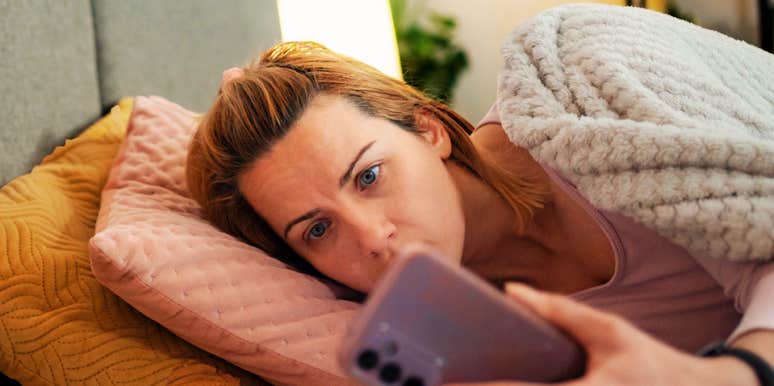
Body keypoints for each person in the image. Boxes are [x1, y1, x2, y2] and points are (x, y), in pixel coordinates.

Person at [186, 40, 773, 385]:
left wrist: (736, 374)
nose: (372, 237)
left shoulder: (581, 95)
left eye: (368, 175)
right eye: (317, 229)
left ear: (428, 130)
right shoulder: (459, 342)